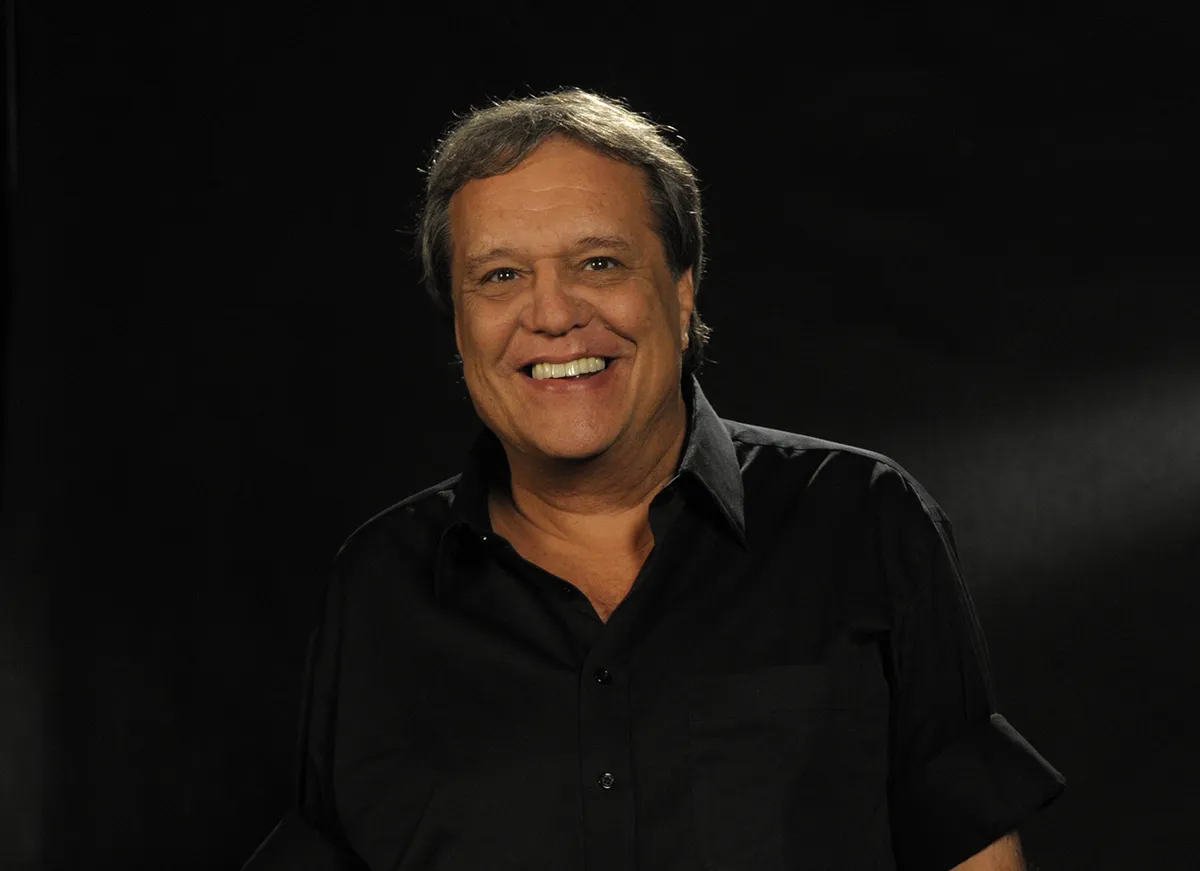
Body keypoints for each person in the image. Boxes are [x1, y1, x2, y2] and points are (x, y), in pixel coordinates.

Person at [242, 88, 1064, 871]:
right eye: (501, 275)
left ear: (680, 292)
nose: (553, 313)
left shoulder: (864, 519)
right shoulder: (378, 583)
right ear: (460, 325)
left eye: (599, 262)